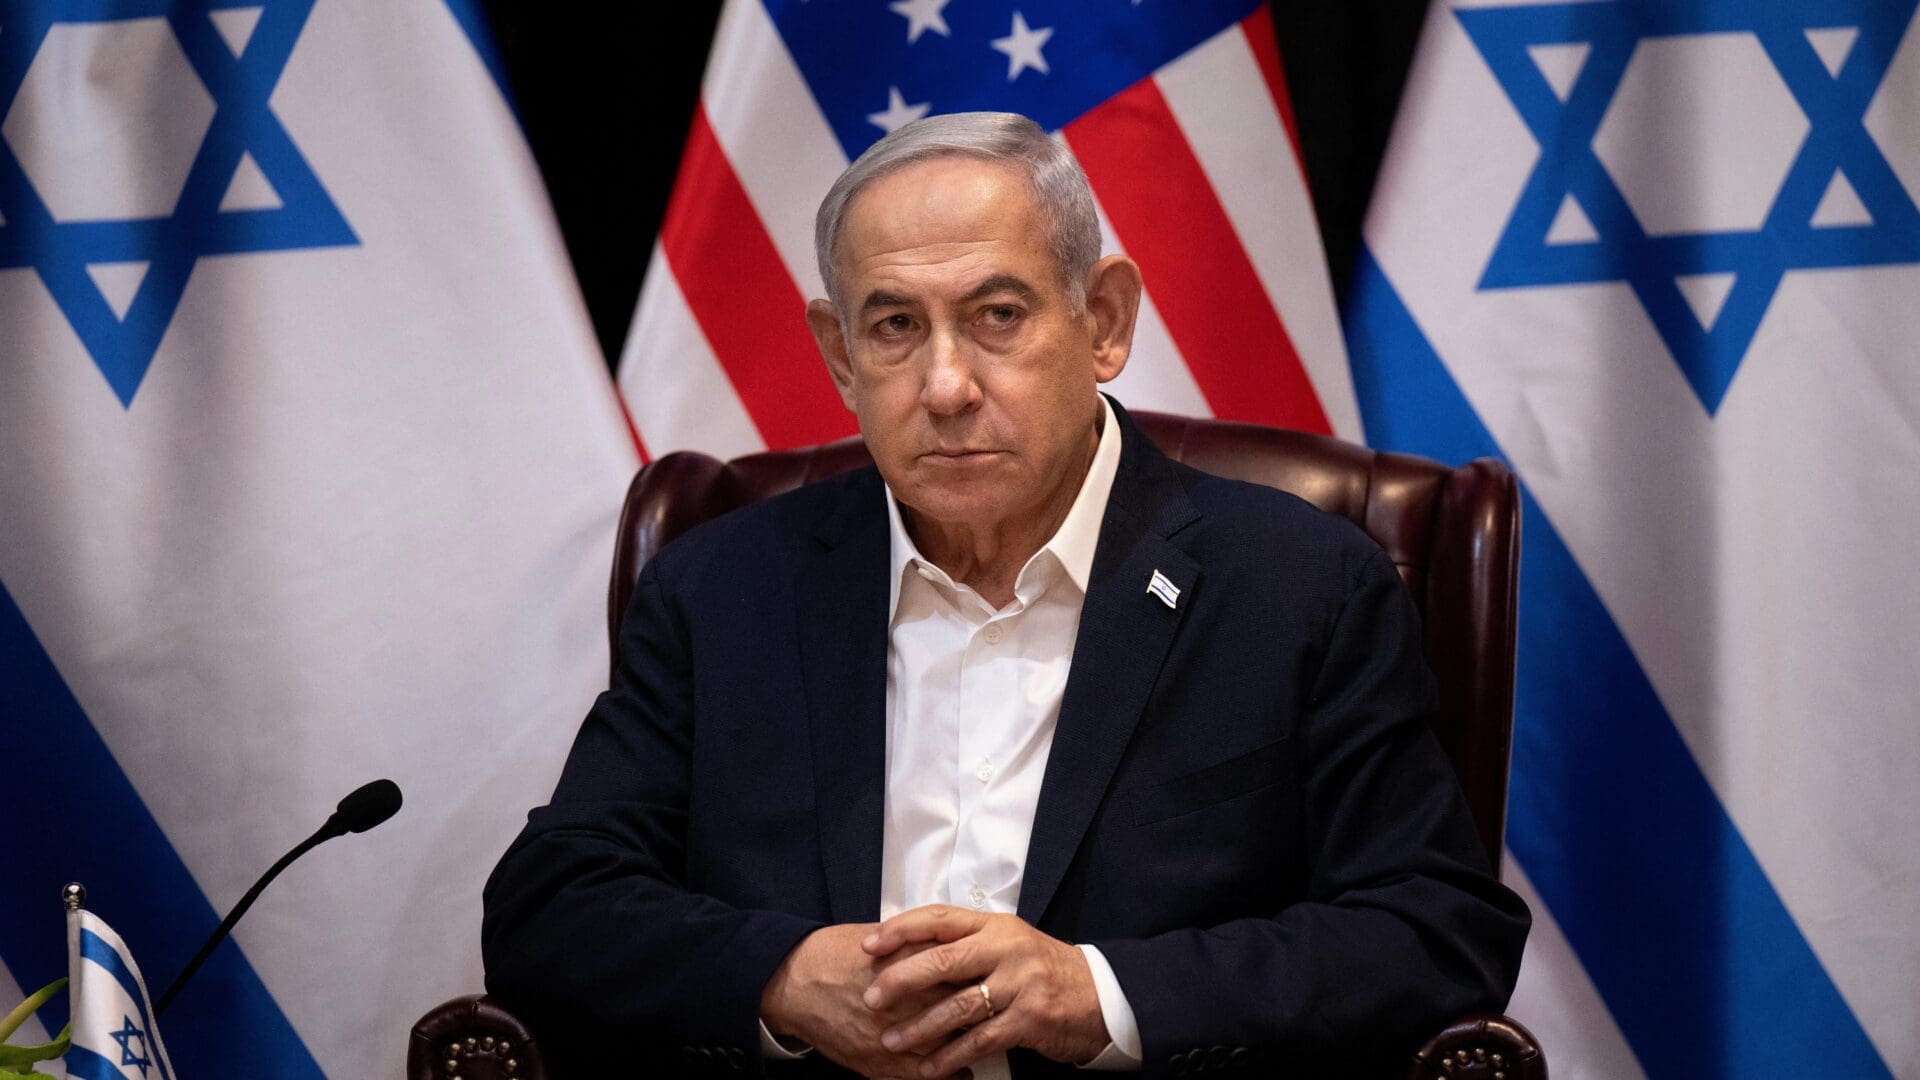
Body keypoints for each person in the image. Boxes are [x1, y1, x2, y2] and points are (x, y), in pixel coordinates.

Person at [482, 112, 1529, 1079]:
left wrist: (1103, 995)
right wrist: (783, 978)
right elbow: (549, 907)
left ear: (1104, 320)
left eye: (997, 314)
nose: (945, 385)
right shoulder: (722, 591)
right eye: (894, 325)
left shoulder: (1302, 585)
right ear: (841, 355)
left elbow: (1433, 927)